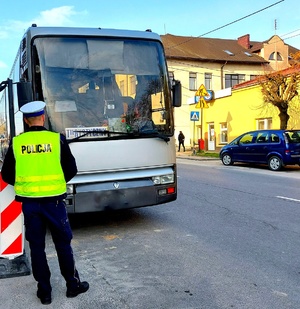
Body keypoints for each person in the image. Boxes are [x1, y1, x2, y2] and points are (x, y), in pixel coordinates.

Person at [1, 101, 89, 305]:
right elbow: (72, 169)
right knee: (63, 244)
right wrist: (55, 183)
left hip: (30, 205)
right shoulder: (57, 140)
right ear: (43, 117)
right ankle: (72, 286)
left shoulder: (17, 143)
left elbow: (7, 175)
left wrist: (26, 185)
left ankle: (45, 292)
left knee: (37, 248)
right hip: (55, 203)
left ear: (26, 120)